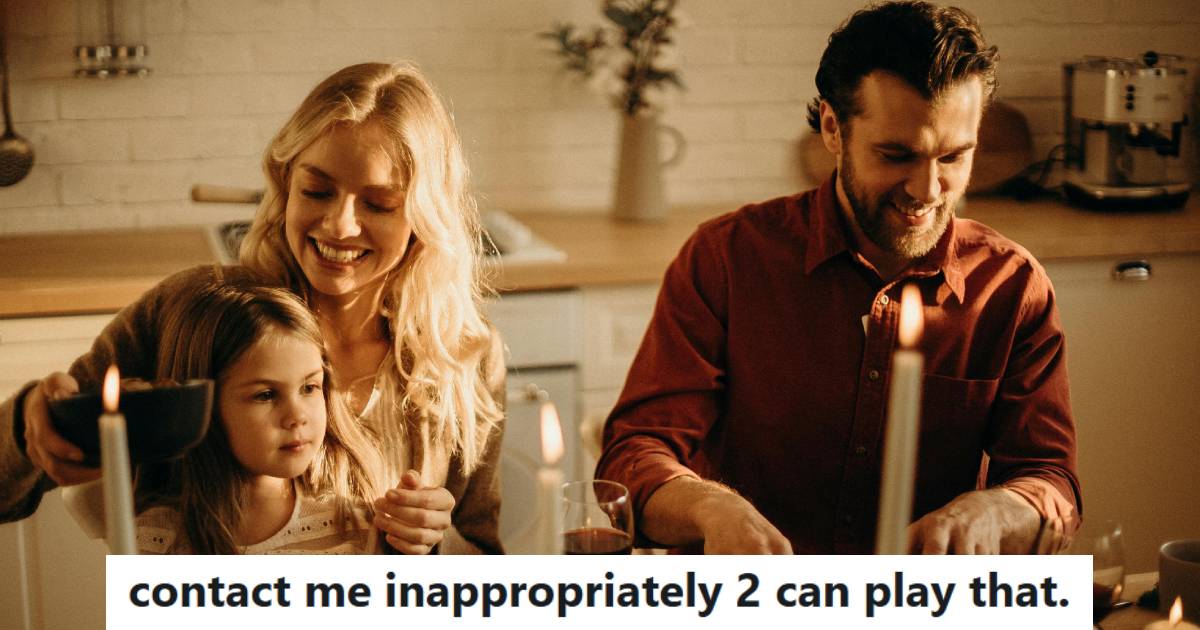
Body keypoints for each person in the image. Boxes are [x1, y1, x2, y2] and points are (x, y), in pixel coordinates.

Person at [595, 1, 1081, 555]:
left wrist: (998, 510)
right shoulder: (727, 258)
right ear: (833, 128)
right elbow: (636, 451)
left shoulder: (1011, 287)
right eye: (897, 154)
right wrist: (708, 506)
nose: (927, 190)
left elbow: (1052, 482)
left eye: (953, 157)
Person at [0, 62, 506, 554]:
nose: (339, 226)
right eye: (317, 190)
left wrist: (436, 541)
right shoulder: (199, 315)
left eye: (377, 204)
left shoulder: (462, 355)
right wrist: (30, 425)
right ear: (286, 184)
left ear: (424, 215)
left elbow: (482, 560)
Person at [129, 280, 383, 553]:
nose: (297, 416)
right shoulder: (155, 539)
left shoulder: (358, 525)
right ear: (204, 406)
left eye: (309, 388)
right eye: (266, 395)